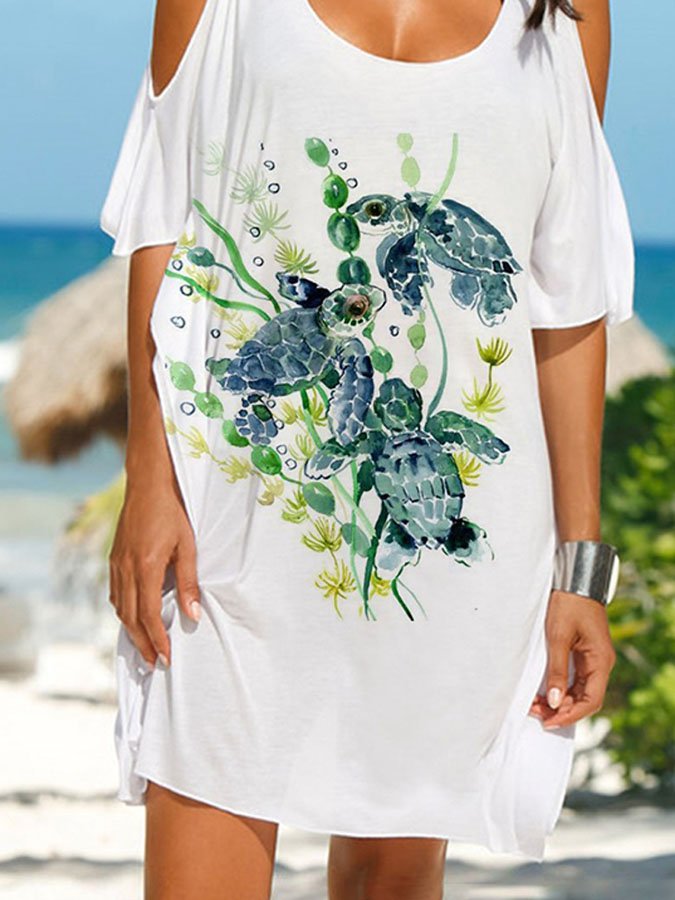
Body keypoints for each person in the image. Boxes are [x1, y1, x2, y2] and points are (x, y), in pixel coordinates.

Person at [101, 0, 634, 897]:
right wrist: (149, 479)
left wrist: (578, 571)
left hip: (443, 553)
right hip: (226, 523)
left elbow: (565, 297)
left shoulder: (564, 15)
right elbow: (164, 229)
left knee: (391, 875)